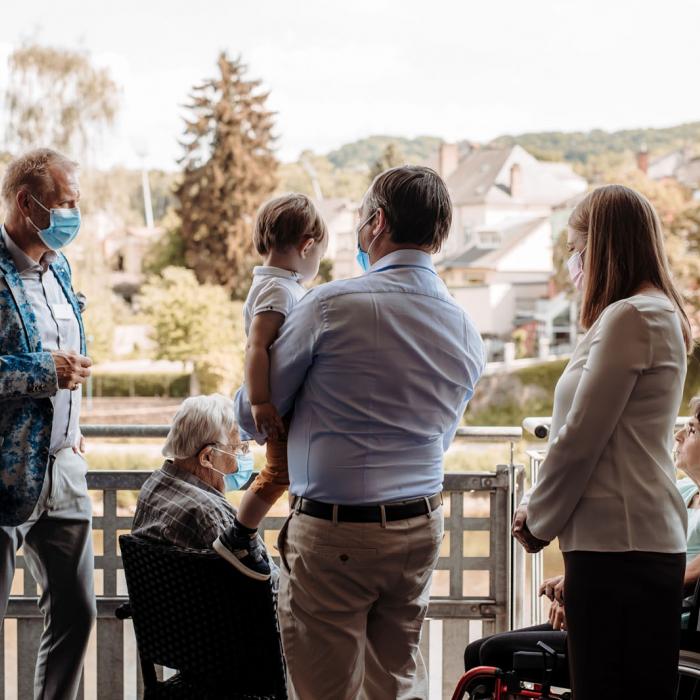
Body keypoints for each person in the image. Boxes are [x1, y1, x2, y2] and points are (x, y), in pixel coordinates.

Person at [235, 165, 485, 699]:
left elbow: (256, 410)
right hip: (419, 527)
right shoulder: (466, 328)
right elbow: (441, 438)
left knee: (324, 689)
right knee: (393, 685)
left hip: (335, 534)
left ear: (377, 222)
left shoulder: (329, 306)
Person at [512, 184, 692, 700]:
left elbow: (581, 438)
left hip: (620, 546)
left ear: (602, 248)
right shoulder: (652, 314)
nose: (572, 262)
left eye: (574, 248)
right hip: (633, 541)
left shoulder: (631, 317)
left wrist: (536, 518)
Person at [465, 398, 700, 698]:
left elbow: (672, 576)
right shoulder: (680, 492)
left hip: (648, 628)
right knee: (476, 652)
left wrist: (593, 588)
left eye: (691, 430)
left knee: (493, 655)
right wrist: (574, 585)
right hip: (614, 607)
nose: (678, 435)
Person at [0, 148, 95, 700]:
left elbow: (70, 352)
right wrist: (44, 371)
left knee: (77, 614)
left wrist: (73, 420)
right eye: (64, 202)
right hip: (4, 478)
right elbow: (48, 366)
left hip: (63, 468)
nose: (73, 213)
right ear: (25, 202)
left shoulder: (60, 266)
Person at [214, 194, 327, 580]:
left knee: (290, 472)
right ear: (307, 245)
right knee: (279, 472)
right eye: (318, 256)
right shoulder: (279, 290)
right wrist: (260, 401)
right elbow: (257, 345)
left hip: (283, 403)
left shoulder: (277, 285)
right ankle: (238, 535)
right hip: (275, 405)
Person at [132, 394, 257, 552]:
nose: (241, 457)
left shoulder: (152, 486)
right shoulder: (208, 512)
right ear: (207, 457)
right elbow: (257, 574)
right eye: (238, 448)